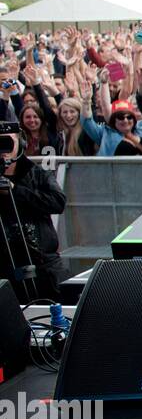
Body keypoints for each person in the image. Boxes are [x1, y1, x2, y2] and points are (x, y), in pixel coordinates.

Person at [0, 123, 69, 302]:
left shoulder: (37, 174)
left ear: (20, 143)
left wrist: (16, 191)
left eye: (7, 142)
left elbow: (58, 202)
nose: (3, 150)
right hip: (6, 267)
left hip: (43, 265)